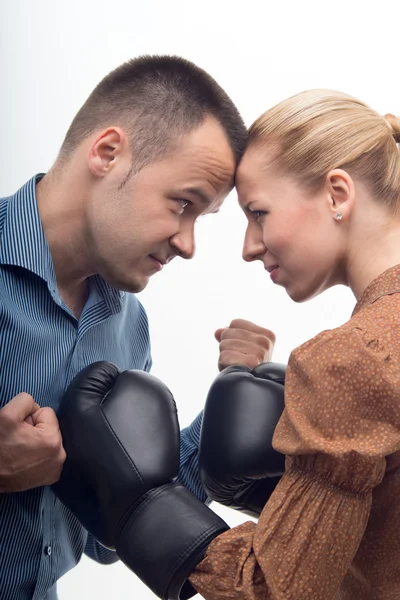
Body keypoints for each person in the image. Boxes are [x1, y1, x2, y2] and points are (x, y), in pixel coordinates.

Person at [0, 54, 275, 600]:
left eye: (201, 218)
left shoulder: (128, 324)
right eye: (183, 204)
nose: (187, 244)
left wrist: (234, 395)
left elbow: (120, 523)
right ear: (107, 153)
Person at [187, 89, 400, 599]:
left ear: (337, 195)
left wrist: (142, 503)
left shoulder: (355, 359)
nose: (248, 247)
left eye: (258, 212)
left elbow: (272, 591)